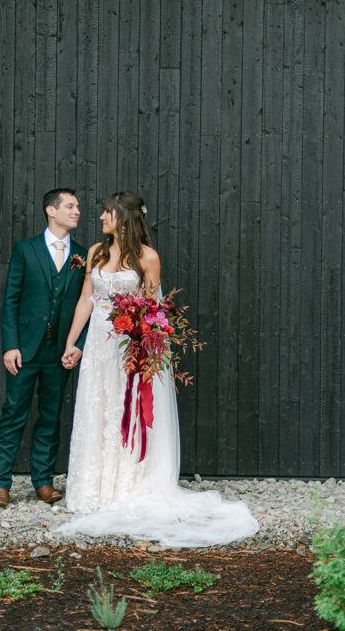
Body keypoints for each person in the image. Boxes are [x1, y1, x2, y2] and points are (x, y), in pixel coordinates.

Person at [56, 191, 259, 547]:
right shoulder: (95, 253)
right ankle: (94, 488)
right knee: (97, 409)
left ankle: (129, 485)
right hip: (99, 347)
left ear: (124, 217)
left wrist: (144, 346)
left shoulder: (148, 258)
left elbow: (153, 310)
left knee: (126, 410)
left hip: (129, 349)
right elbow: (87, 298)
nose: (101, 217)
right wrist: (72, 342)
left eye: (107, 212)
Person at [0, 189, 89, 510]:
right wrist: (10, 346)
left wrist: (79, 347)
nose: (77, 211)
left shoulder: (83, 255)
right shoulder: (26, 250)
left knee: (50, 415)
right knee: (13, 413)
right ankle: (0, 485)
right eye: (70, 206)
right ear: (51, 210)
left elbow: (89, 306)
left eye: (77, 207)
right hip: (26, 350)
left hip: (59, 352)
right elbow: (11, 301)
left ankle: (43, 482)